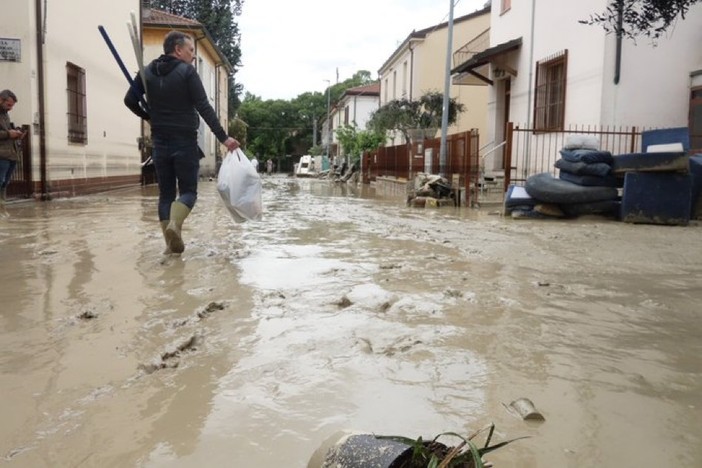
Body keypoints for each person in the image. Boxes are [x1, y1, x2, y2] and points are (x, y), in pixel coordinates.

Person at [124, 31, 239, 254]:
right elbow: (204, 107)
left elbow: (129, 100)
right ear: (178, 49)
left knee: (165, 195)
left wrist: (148, 115)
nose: (193, 56)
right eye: (191, 50)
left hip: (159, 143)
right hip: (185, 142)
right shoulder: (187, 72)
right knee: (188, 192)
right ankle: (175, 226)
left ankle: (170, 244)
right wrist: (223, 138)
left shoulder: (146, 72)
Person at [0, 89, 25, 210]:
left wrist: (17, 133)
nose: (11, 108)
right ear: (0, 100)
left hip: (11, 154)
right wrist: (9, 134)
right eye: (9, 105)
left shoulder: (5, 114)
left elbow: (7, 131)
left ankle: (2, 208)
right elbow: (6, 133)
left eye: (12, 106)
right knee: (1, 181)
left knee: (5, 183)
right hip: (2, 155)